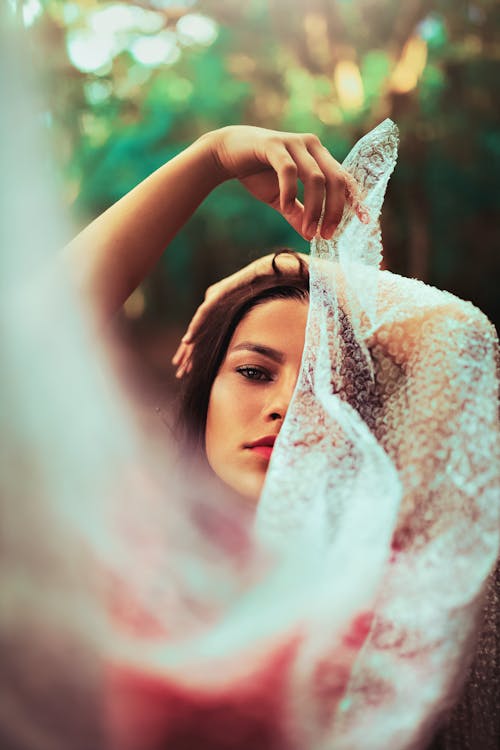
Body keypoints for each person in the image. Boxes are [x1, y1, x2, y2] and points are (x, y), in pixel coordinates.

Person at [66, 124, 499, 750]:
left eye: (320, 388)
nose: (283, 409)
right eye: (252, 372)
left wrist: (290, 267)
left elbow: (463, 336)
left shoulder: (377, 588)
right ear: (202, 391)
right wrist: (208, 158)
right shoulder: (119, 545)